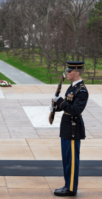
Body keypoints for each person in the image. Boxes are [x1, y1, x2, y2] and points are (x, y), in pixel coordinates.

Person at [50, 61, 88, 197]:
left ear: (76, 73)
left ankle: (71, 188)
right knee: (66, 159)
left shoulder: (81, 90)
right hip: (66, 128)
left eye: (69, 71)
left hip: (73, 129)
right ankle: (67, 185)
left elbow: (76, 110)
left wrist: (61, 101)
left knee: (72, 160)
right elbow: (67, 105)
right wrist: (55, 106)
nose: (67, 73)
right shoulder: (72, 88)